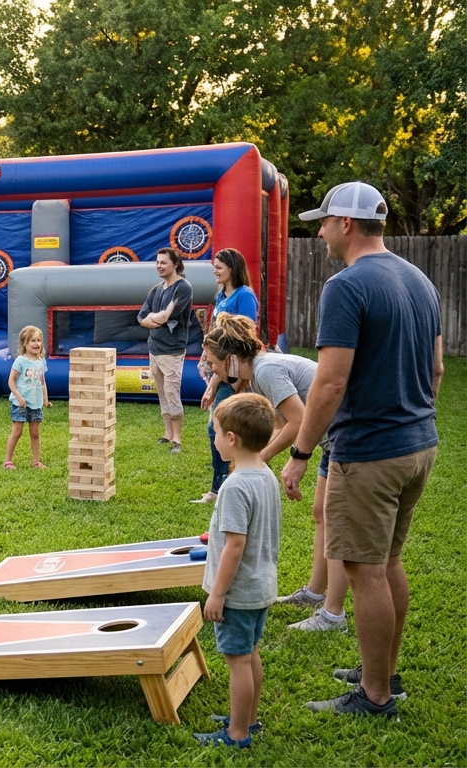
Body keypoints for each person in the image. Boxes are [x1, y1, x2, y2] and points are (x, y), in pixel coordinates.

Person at [285, 182, 442, 717]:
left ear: (345, 225)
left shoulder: (346, 286)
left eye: (324, 221)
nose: (320, 230)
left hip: (371, 452)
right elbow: (437, 369)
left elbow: (329, 383)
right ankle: (384, 673)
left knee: (362, 570)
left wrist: (302, 453)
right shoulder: (419, 279)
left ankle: (375, 696)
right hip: (419, 444)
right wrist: (411, 420)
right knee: (387, 560)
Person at [203, 314, 346, 631]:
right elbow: (283, 423)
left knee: (336, 525)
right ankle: (314, 593)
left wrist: (262, 457)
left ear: (231, 359)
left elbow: (299, 420)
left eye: (213, 365)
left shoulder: (267, 370)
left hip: (346, 436)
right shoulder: (257, 373)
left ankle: (333, 615)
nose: (212, 371)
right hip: (330, 438)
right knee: (322, 513)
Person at [194, 393, 281, 748]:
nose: (214, 439)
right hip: (260, 588)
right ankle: (249, 718)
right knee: (249, 653)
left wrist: (217, 593)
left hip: (238, 593)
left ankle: (237, 733)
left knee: (237, 661)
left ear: (231, 439)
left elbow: (234, 546)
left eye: (215, 432)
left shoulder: (234, 487)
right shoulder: (265, 475)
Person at [193, 248, 260, 503]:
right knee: (222, 427)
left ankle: (221, 488)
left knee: (217, 427)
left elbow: (245, 338)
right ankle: (226, 483)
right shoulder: (221, 295)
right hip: (220, 368)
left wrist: (214, 382)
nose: (215, 271)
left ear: (232, 268)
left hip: (234, 373)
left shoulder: (245, 296)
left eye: (219, 267)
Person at [137, 247, 194, 453]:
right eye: (157, 262)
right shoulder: (156, 290)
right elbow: (141, 317)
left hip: (172, 351)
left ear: (175, 264)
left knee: (172, 393)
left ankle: (177, 440)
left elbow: (164, 317)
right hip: (154, 348)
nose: (159, 266)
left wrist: (156, 318)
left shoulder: (183, 288)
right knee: (161, 392)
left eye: (163, 262)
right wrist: (155, 318)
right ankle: (167, 433)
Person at [3, 325, 51, 470]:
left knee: (35, 434)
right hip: (20, 404)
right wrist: (19, 397)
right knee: (17, 432)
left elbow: (42, 382)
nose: (36, 344)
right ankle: (8, 461)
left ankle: (36, 461)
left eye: (39, 340)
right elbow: (11, 381)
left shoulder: (41, 361)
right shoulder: (20, 361)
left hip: (35, 403)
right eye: (32, 341)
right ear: (25, 343)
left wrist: (45, 400)